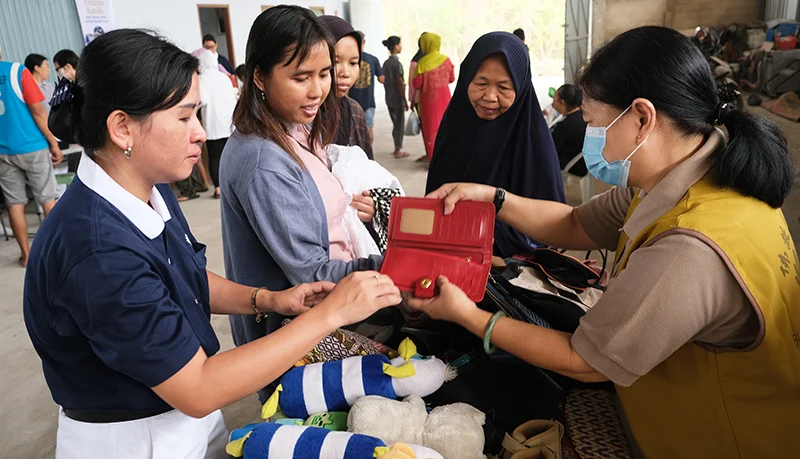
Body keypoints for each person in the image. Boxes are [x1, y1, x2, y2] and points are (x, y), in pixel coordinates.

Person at [416, 26, 799, 459]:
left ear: (641, 118)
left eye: (594, 123)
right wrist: (493, 197)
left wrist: (466, 314)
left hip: (726, 441)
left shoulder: (690, 249)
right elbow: (575, 224)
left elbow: (585, 361)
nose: (588, 135)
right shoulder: (688, 174)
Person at [25, 28, 400, 459]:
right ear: (122, 128)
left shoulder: (147, 184)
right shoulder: (97, 252)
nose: (201, 133)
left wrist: (270, 299)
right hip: (135, 437)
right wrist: (328, 315)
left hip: (183, 413)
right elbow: (199, 387)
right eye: (185, 118)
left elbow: (185, 274)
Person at [220, 6, 386, 402]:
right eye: (301, 78)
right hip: (297, 340)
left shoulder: (295, 129)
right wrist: (391, 266)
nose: (317, 90)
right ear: (259, 76)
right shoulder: (264, 163)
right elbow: (311, 274)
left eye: (324, 73)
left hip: (320, 321)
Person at [426, 32, 564, 258]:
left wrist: (487, 234)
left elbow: (553, 227)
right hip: (448, 256)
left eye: (504, 87)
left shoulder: (532, 142)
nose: (490, 97)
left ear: (520, 88)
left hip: (508, 271)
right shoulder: (454, 129)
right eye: (481, 83)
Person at [0, 53, 62, 267]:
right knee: (47, 198)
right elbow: (37, 110)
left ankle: (26, 255)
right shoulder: (17, 71)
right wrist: (53, 142)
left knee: (14, 203)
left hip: (3, 151)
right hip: (32, 145)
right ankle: (59, 252)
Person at [320, 16, 373, 160]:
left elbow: (369, 169)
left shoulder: (355, 111)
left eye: (353, 63)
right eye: (335, 61)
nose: (346, 73)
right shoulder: (300, 116)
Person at [197, 50, 236, 199]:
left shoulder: (202, 79)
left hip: (212, 124)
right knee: (230, 155)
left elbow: (202, 100)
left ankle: (218, 188)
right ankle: (232, 185)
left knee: (215, 157)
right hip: (229, 123)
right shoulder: (225, 78)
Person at [412, 32, 454, 162]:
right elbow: (452, 78)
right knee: (447, 126)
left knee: (430, 129)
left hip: (428, 103)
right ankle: (448, 156)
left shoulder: (422, 63)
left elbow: (416, 83)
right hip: (446, 99)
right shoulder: (446, 60)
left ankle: (434, 159)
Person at [348, 32, 384, 143]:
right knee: (368, 130)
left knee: (352, 132)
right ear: (364, 42)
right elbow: (382, 79)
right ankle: (368, 156)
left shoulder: (348, 60)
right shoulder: (373, 59)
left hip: (352, 102)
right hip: (368, 101)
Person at [551, 84, 588, 177]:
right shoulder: (583, 116)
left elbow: (551, 148)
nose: (552, 103)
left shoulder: (565, 125)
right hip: (584, 160)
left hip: (573, 165)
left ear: (562, 102)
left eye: (554, 100)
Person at [381, 35, 408, 159]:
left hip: (388, 97)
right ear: (396, 46)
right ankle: (398, 149)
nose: (401, 46)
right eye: (400, 44)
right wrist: (404, 99)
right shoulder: (397, 64)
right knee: (399, 123)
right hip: (397, 97)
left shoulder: (386, 63)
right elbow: (400, 82)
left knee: (395, 122)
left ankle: (396, 146)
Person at [408, 33, 425, 114]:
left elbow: (412, 83)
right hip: (423, 99)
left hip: (418, 99)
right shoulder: (435, 61)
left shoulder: (414, 61)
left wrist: (412, 100)